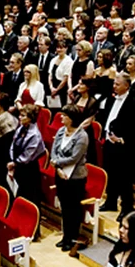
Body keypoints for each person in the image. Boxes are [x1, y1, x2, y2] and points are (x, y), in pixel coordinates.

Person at [97, 75, 135, 219]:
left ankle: (127, 207)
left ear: (126, 86)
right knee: (110, 174)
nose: (114, 86)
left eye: (117, 84)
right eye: (114, 83)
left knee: (124, 179)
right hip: (109, 142)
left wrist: (121, 139)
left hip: (125, 147)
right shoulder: (111, 99)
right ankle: (111, 202)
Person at [50, 105, 89, 256]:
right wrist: (57, 166)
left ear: (71, 119)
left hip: (75, 178)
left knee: (73, 208)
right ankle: (65, 236)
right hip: (60, 174)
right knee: (65, 207)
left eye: (64, 115)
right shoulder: (61, 131)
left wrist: (56, 163)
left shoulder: (82, 136)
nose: (61, 117)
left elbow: (74, 157)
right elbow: (54, 150)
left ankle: (72, 238)